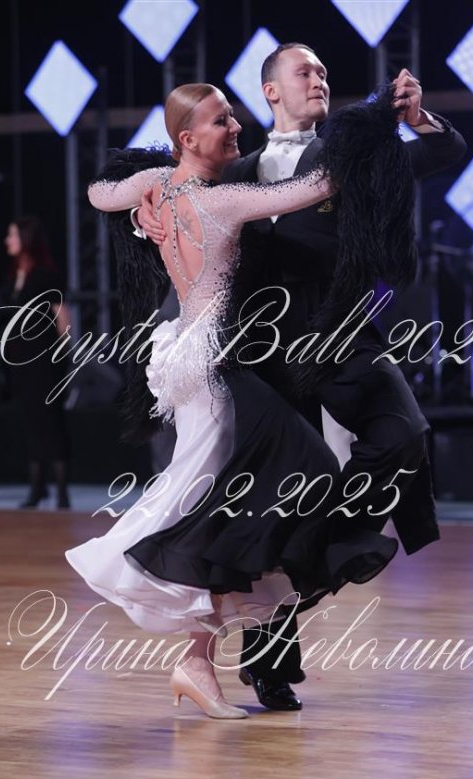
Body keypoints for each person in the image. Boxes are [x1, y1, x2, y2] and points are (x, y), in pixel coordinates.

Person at [65, 82, 417, 720]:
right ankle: (177, 630)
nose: (235, 127)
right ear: (187, 138)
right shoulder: (221, 200)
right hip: (213, 367)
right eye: (221, 120)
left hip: (193, 358)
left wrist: (143, 197)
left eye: (232, 116)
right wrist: (374, 116)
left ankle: (198, 660)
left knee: (224, 498)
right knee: (234, 491)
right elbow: (320, 185)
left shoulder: (159, 184)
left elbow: (96, 191)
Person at [137, 44, 467, 711]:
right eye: (305, 71)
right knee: (277, 501)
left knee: (404, 434)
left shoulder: (353, 155)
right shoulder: (239, 171)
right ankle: (269, 664)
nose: (319, 79)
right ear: (270, 92)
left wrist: (420, 119)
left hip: (343, 335)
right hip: (265, 350)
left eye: (323, 71)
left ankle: (327, 545)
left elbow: (439, 154)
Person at [0, 216, 72, 508]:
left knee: (50, 420)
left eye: (12, 235)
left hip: (44, 359)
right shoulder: (12, 278)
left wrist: (63, 356)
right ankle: (37, 486)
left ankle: (62, 490)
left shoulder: (44, 276)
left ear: (26, 239)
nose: (7, 241)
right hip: (19, 361)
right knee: (30, 421)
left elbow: (62, 318)